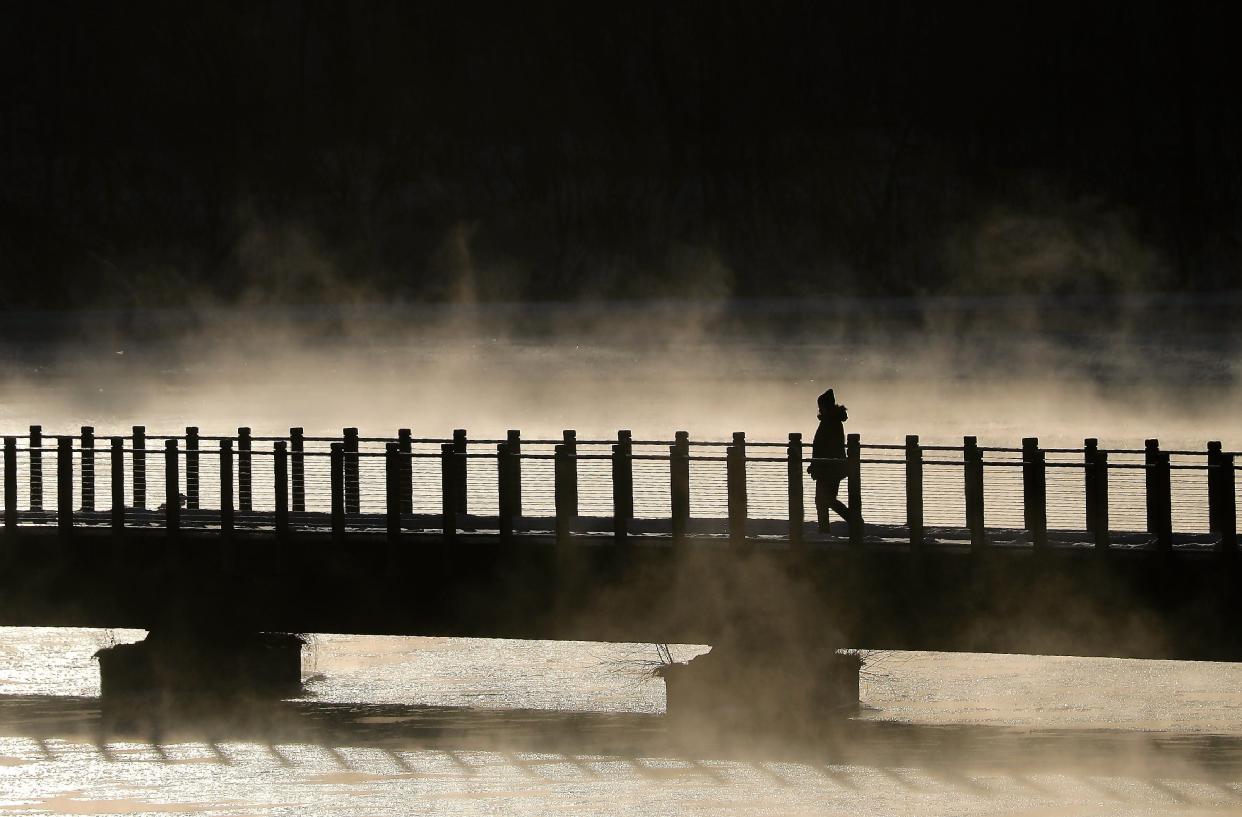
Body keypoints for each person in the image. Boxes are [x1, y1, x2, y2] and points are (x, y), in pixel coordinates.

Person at [808, 388, 857, 533]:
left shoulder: (830, 422)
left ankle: (852, 520)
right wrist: (815, 464)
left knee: (826, 499)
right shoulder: (831, 421)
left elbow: (826, 447)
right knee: (823, 500)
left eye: (821, 406)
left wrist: (817, 464)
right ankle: (825, 529)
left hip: (829, 468)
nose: (819, 409)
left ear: (826, 406)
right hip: (827, 467)